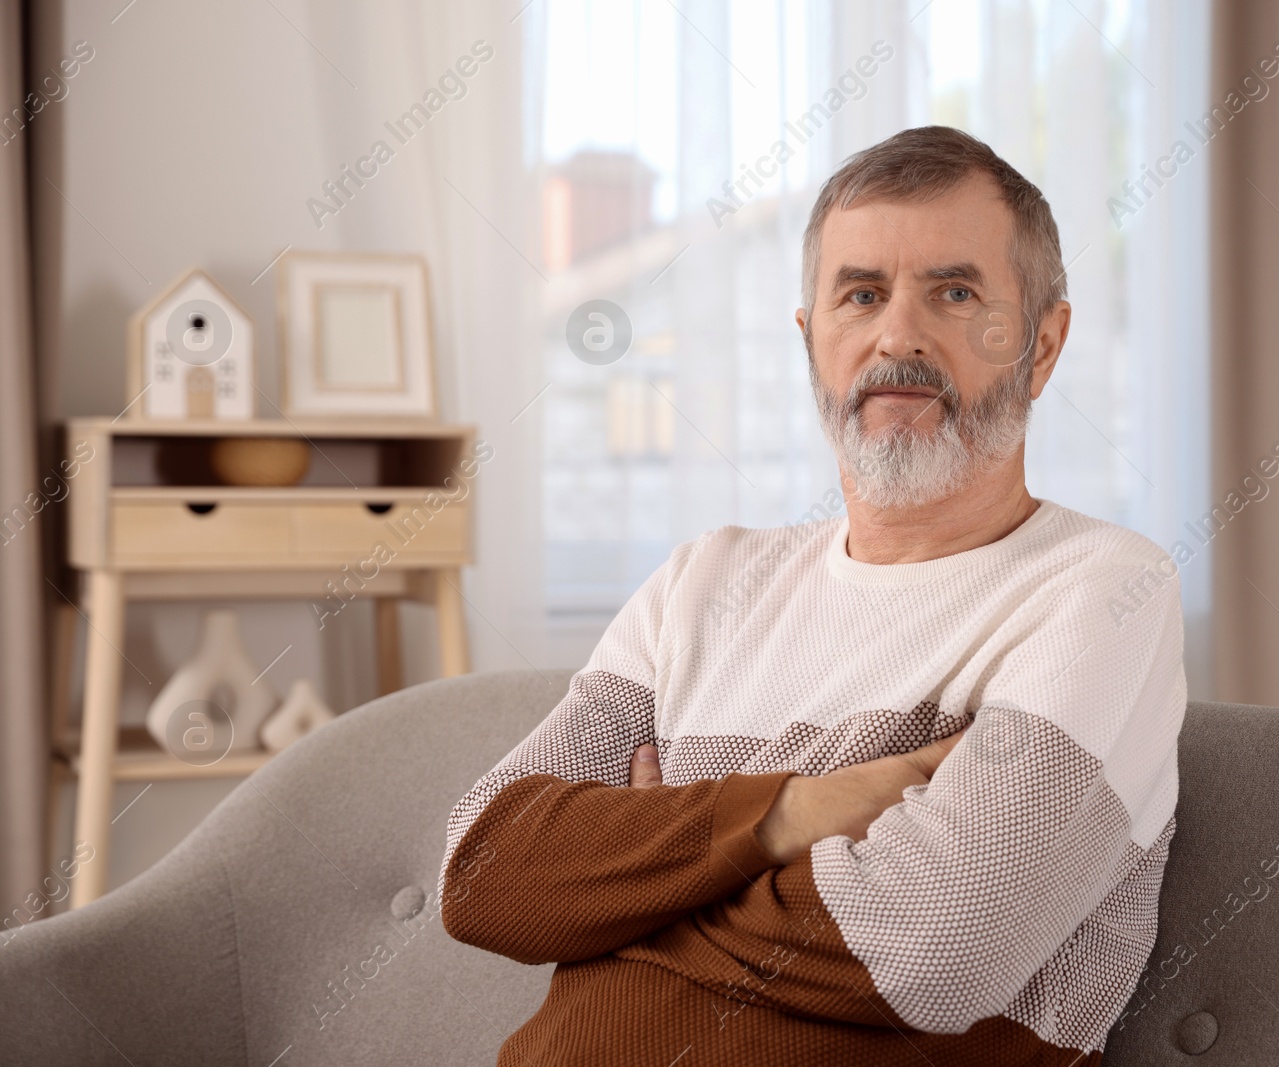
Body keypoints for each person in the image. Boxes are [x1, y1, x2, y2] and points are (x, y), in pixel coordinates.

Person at [439, 125, 1187, 1066]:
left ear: (1043, 343)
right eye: (861, 294)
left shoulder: (1102, 591)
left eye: (955, 294)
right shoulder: (700, 581)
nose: (898, 336)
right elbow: (482, 874)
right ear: (812, 341)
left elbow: (933, 951)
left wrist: (629, 887)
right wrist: (790, 813)